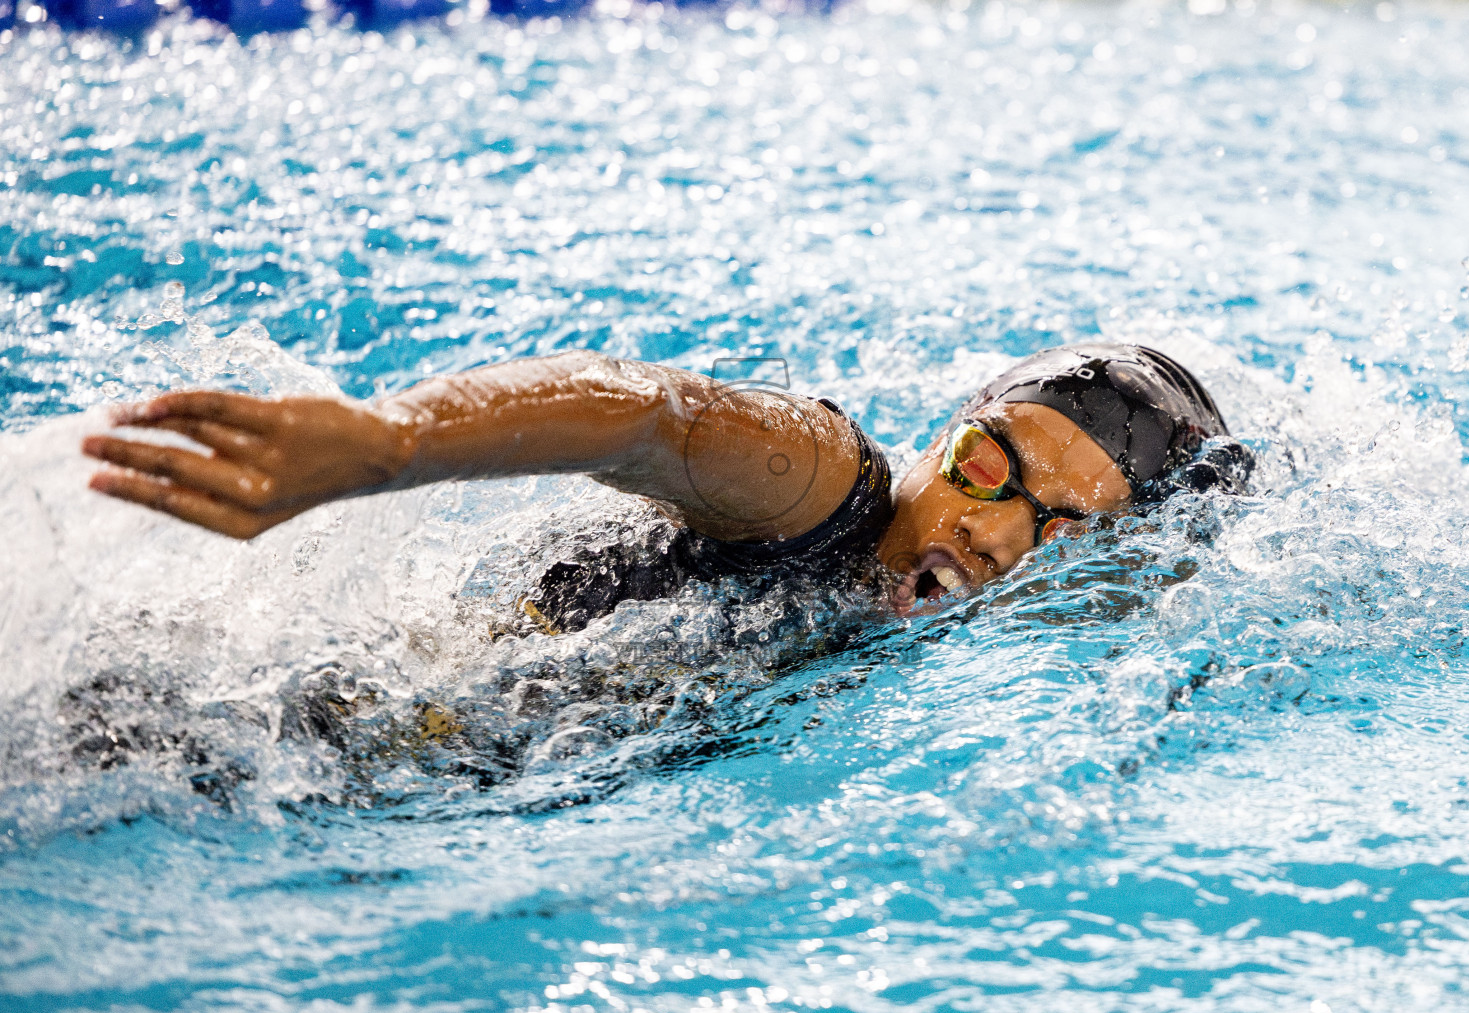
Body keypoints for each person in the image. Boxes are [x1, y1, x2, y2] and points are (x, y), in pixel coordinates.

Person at [80, 343, 1249, 627]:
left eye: (1059, 525)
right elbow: (648, 412)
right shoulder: (826, 494)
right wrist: (384, 442)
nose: (993, 531)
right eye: (989, 465)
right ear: (946, 436)